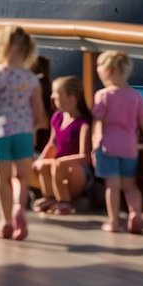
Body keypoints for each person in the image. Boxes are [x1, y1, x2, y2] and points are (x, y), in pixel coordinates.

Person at [0, 24, 43, 240]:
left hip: (0, 132)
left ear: (3, 46)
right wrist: (30, 127)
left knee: (2, 179)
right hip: (24, 132)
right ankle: (18, 208)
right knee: (21, 177)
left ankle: (5, 221)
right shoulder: (31, 79)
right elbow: (38, 112)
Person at [92, 49, 143, 234]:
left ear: (107, 70)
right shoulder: (136, 96)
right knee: (129, 185)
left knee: (113, 186)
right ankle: (136, 213)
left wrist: (95, 146)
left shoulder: (103, 95)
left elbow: (98, 122)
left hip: (109, 146)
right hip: (129, 148)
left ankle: (114, 221)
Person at [32, 75, 92, 215]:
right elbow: (52, 143)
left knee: (57, 165)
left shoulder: (83, 124)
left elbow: (85, 156)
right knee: (44, 164)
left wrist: (62, 162)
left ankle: (64, 201)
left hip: (78, 171)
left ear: (71, 98)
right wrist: (41, 160)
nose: (53, 97)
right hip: (58, 168)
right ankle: (50, 197)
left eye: (57, 94)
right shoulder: (57, 118)